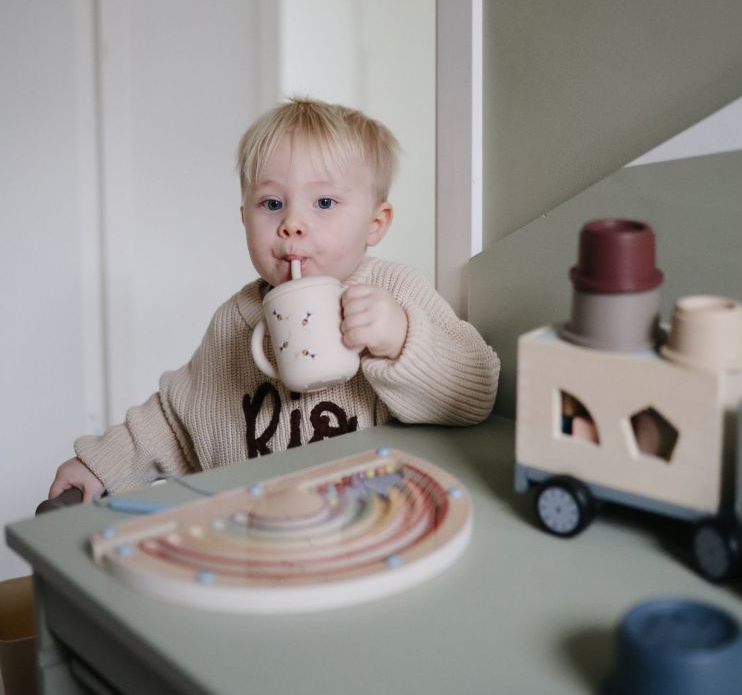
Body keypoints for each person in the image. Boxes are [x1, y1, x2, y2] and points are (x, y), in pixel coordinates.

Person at [49, 98, 500, 499]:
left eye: (324, 203)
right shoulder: (234, 322)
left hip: (376, 531)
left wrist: (402, 338)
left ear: (375, 224)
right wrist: (99, 466)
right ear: (243, 217)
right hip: (259, 537)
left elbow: (477, 391)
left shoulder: (395, 294)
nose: (292, 224)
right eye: (271, 204)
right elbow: (174, 421)